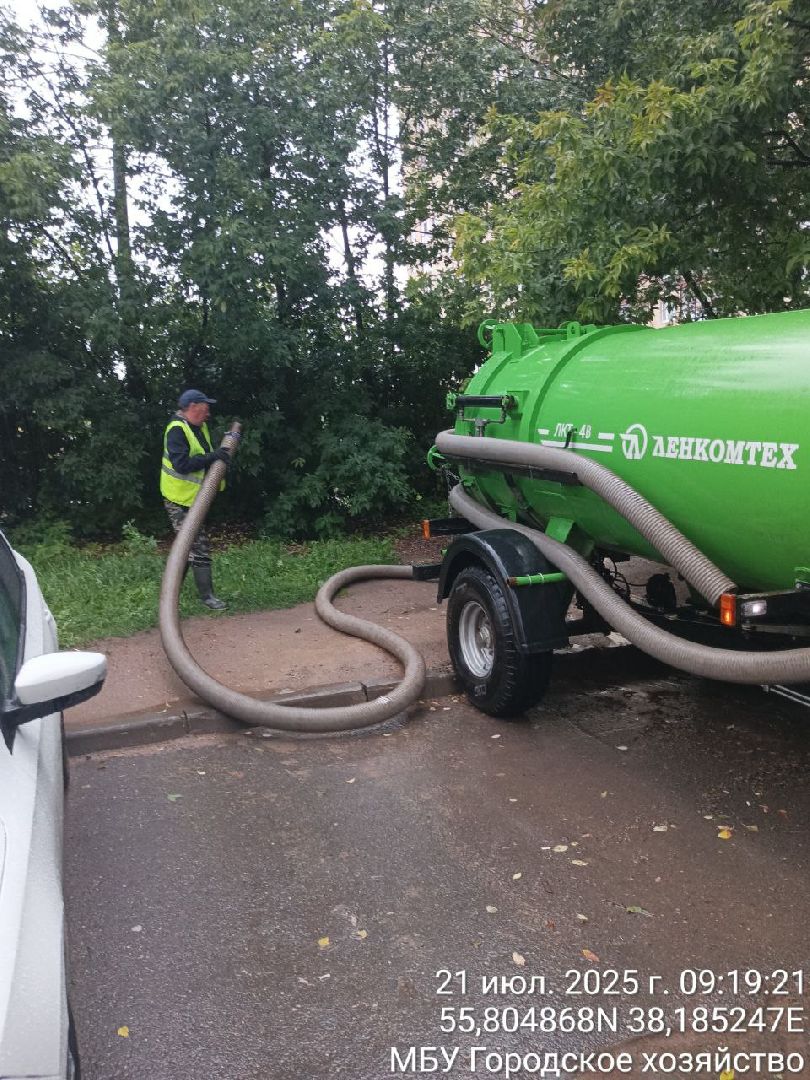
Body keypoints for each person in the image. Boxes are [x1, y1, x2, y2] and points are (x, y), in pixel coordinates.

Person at [160, 389, 231, 609]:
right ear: (192, 407)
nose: (208, 413)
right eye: (205, 408)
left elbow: (204, 457)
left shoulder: (200, 427)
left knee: (185, 546)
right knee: (197, 546)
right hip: (178, 499)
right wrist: (214, 456)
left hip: (194, 499)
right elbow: (182, 465)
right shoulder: (176, 431)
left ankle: (171, 593)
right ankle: (207, 597)